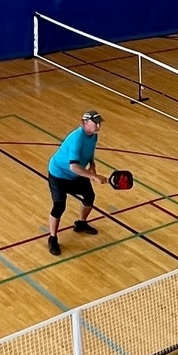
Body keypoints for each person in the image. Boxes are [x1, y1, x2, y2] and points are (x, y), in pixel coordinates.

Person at [47, 110, 108, 257]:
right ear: (85, 123)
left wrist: (92, 165)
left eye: (99, 123)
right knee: (59, 206)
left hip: (76, 174)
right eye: (96, 123)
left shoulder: (93, 136)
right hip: (59, 175)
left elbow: (90, 153)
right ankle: (52, 238)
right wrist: (93, 176)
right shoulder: (76, 138)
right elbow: (73, 166)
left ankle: (80, 224)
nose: (99, 126)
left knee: (89, 197)